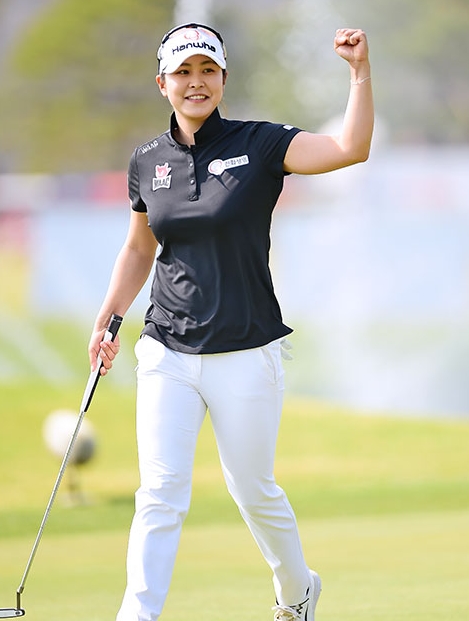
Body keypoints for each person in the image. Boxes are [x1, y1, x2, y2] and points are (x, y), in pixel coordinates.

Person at [88, 22, 373, 621]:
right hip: (166, 348)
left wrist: (358, 73)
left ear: (223, 79)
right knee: (159, 493)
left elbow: (351, 148)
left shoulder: (261, 143)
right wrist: (109, 318)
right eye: (183, 72)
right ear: (162, 83)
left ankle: (297, 591)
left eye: (208, 71)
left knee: (253, 491)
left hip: (246, 350)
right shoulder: (147, 160)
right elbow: (139, 248)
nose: (196, 82)